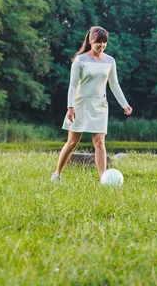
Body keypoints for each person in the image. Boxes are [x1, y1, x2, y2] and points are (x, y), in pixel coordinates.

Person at [51, 26, 132, 182]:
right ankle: (57, 173)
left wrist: (124, 104)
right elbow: (73, 85)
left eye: (104, 42)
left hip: (100, 106)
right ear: (90, 41)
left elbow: (114, 85)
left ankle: (104, 179)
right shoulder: (80, 60)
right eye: (98, 42)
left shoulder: (110, 61)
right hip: (79, 105)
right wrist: (70, 107)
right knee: (73, 143)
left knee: (100, 142)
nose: (101, 46)